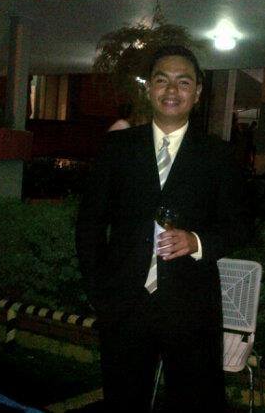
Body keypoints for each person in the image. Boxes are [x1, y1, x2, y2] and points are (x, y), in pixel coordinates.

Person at [76, 45, 252, 413]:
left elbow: (239, 226)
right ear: (149, 88)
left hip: (191, 307)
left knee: (194, 403)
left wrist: (197, 241)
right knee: (123, 401)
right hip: (125, 304)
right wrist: (99, 291)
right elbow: (90, 224)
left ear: (197, 92)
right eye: (162, 80)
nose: (172, 90)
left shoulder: (219, 155)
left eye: (183, 82)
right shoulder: (117, 148)